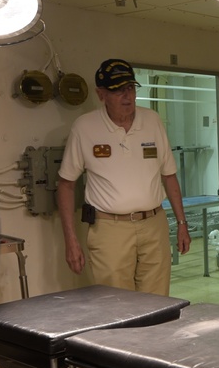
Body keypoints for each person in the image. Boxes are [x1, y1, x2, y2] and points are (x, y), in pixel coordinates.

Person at [57, 58, 190, 295]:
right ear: (101, 94)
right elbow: (66, 184)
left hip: (154, 224)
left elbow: (169, 176)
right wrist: (71, 240)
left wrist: (181, 223)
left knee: (157, 302)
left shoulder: (152, 121)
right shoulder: (84, 127)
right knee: (116, 304)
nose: (126, 95)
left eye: (130, 88)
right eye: (118, 90)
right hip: (110, 229)